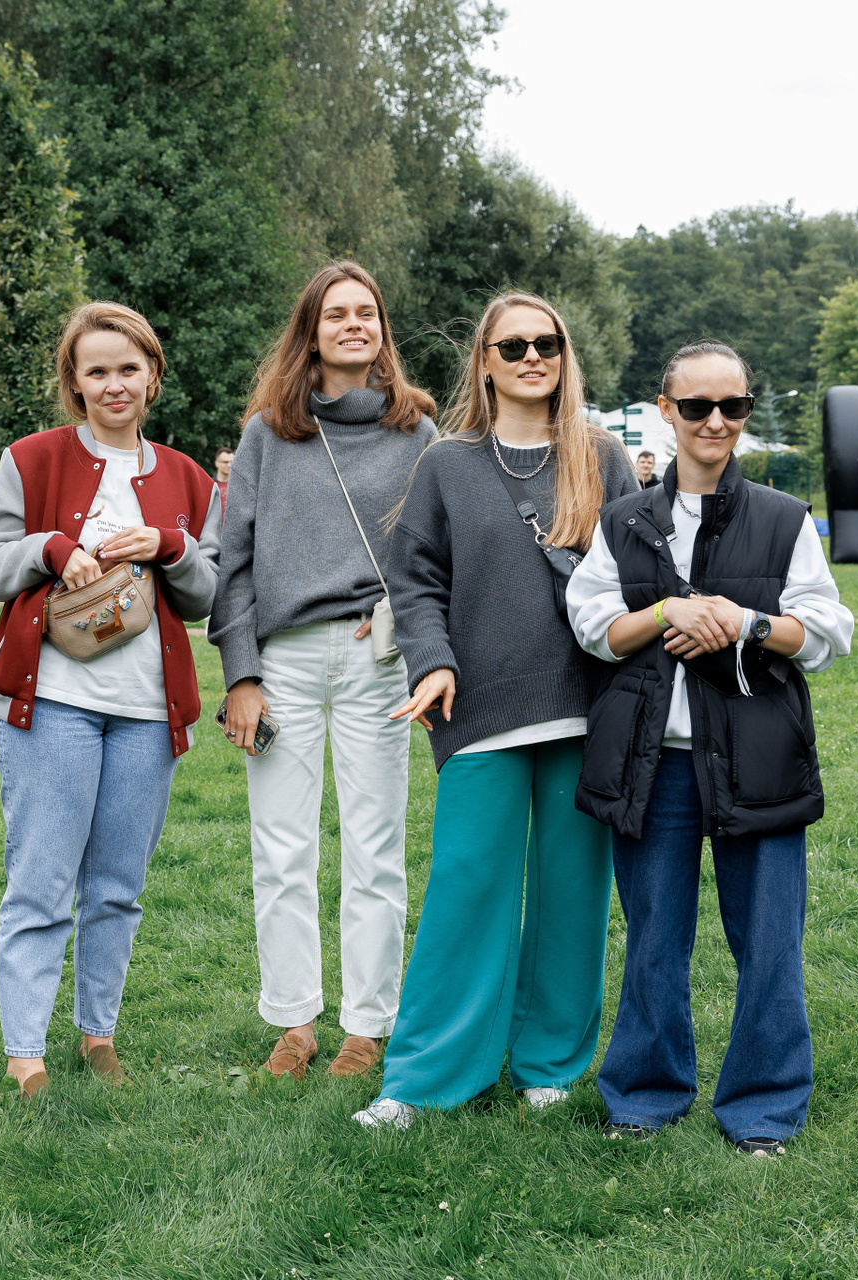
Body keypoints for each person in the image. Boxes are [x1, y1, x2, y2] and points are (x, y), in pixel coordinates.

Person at [352, 292, 638, 1130]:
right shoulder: (447, 463)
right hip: (477, 707)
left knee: (573, 894)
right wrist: (433, 660)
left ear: (565, 355)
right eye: (512, 346)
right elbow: (414, 580)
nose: (531, 357)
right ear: (484, 361)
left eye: (546, 343)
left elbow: (638, 571)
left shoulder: (602, 456)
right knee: (466, 887)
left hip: (587, 706)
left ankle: (549, 1064)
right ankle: (422, 1079)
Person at [567, 340, 853, 1154]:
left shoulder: (783, 518)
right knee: (654, 937)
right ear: (667, 411)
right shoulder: (623, 522)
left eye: (734, 406)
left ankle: (763, 1110)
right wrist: (667, 614)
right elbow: (591, 626)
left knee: (768, 942)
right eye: (697, 406)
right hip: (651, 761)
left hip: (758, 755)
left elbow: (828, 631)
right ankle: (644, 1097)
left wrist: (745, 623)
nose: (717, 421)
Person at [0, 302, 221, 1097]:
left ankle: (97, 1034)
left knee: (117, 887)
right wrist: (51, 549)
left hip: (147, 711)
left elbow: (209, 594)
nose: (115, 384)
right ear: (74, 383)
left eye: (128, 368)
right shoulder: (32, 459)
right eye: (97, 371)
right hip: (52, 703)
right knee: (41, 881)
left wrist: (171, 546)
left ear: (152, 376)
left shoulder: (188, 478)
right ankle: (25, 1054)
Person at [209, 262, 438, 1080]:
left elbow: (438, 551)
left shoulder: (418, 432)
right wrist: (241, 675)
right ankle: (295, 1023)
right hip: (285, 661)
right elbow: (233, 561)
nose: (352, 325)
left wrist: (409, 619)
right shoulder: (269, 434)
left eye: (365, 312)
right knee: (281, 848)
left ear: (382, 329)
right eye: (335, 314)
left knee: (376, 846)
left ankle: (368, 1027)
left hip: (377, 658)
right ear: (311, 331)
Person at [212, 447, 234, 521]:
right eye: (225, 462)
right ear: (216, 463)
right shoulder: (209, 486)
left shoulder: (239, 487)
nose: (229, 465)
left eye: (232, 462)